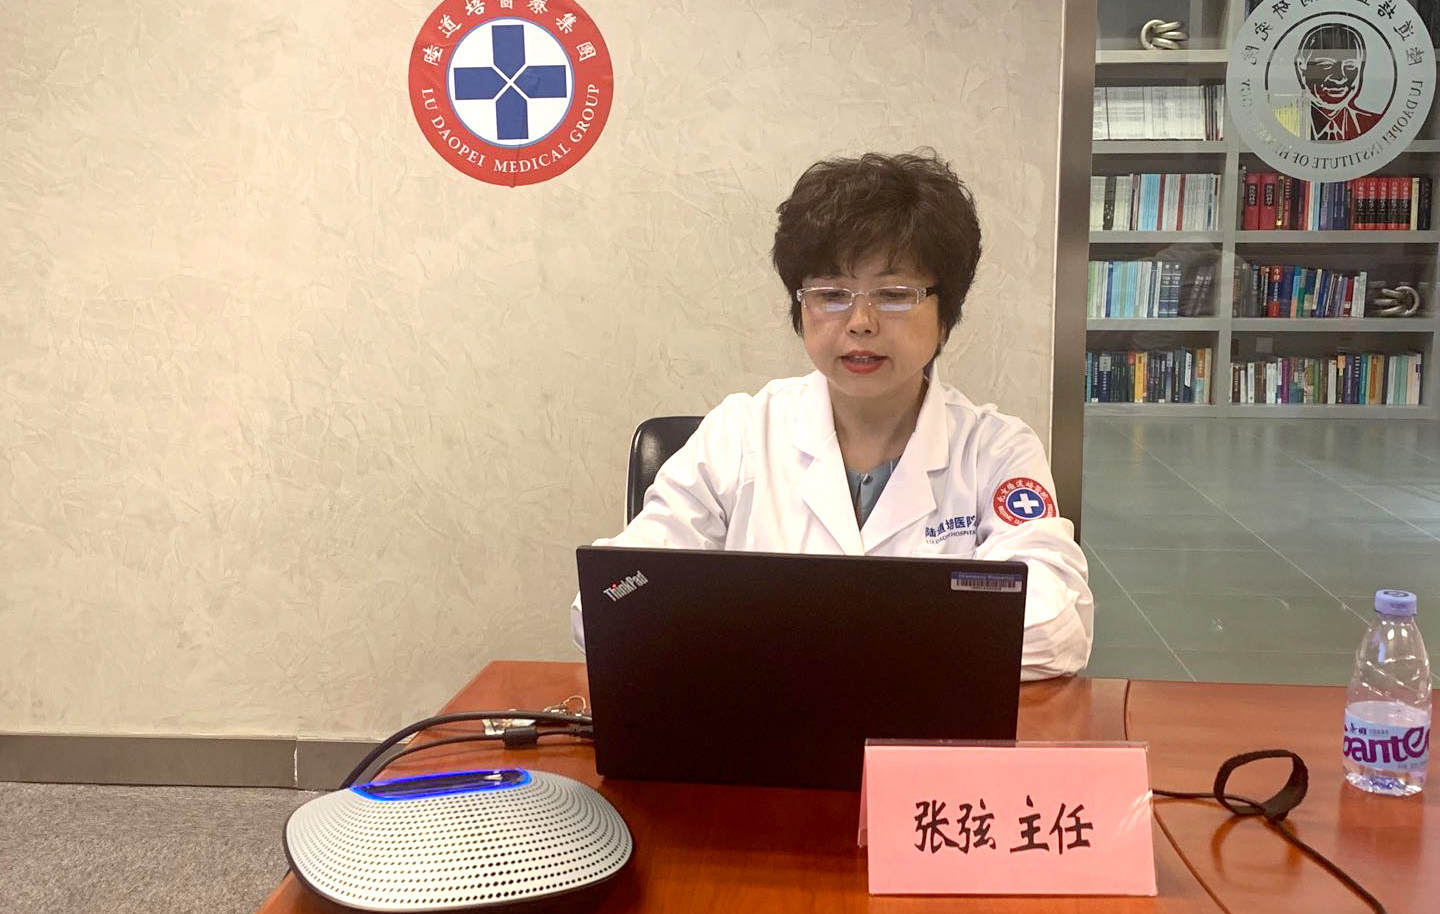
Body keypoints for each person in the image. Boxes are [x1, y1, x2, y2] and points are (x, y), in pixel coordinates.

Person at [571, 150, 1092, 679]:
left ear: (945, 317)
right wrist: (913, 633)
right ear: (801, 309)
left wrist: (793, 632)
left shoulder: (995, 450)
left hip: (921, 726)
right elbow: (609, 600)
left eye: (894, 294)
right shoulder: (740, 433)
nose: (861, 321)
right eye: (832, 294)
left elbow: (1055, 626)